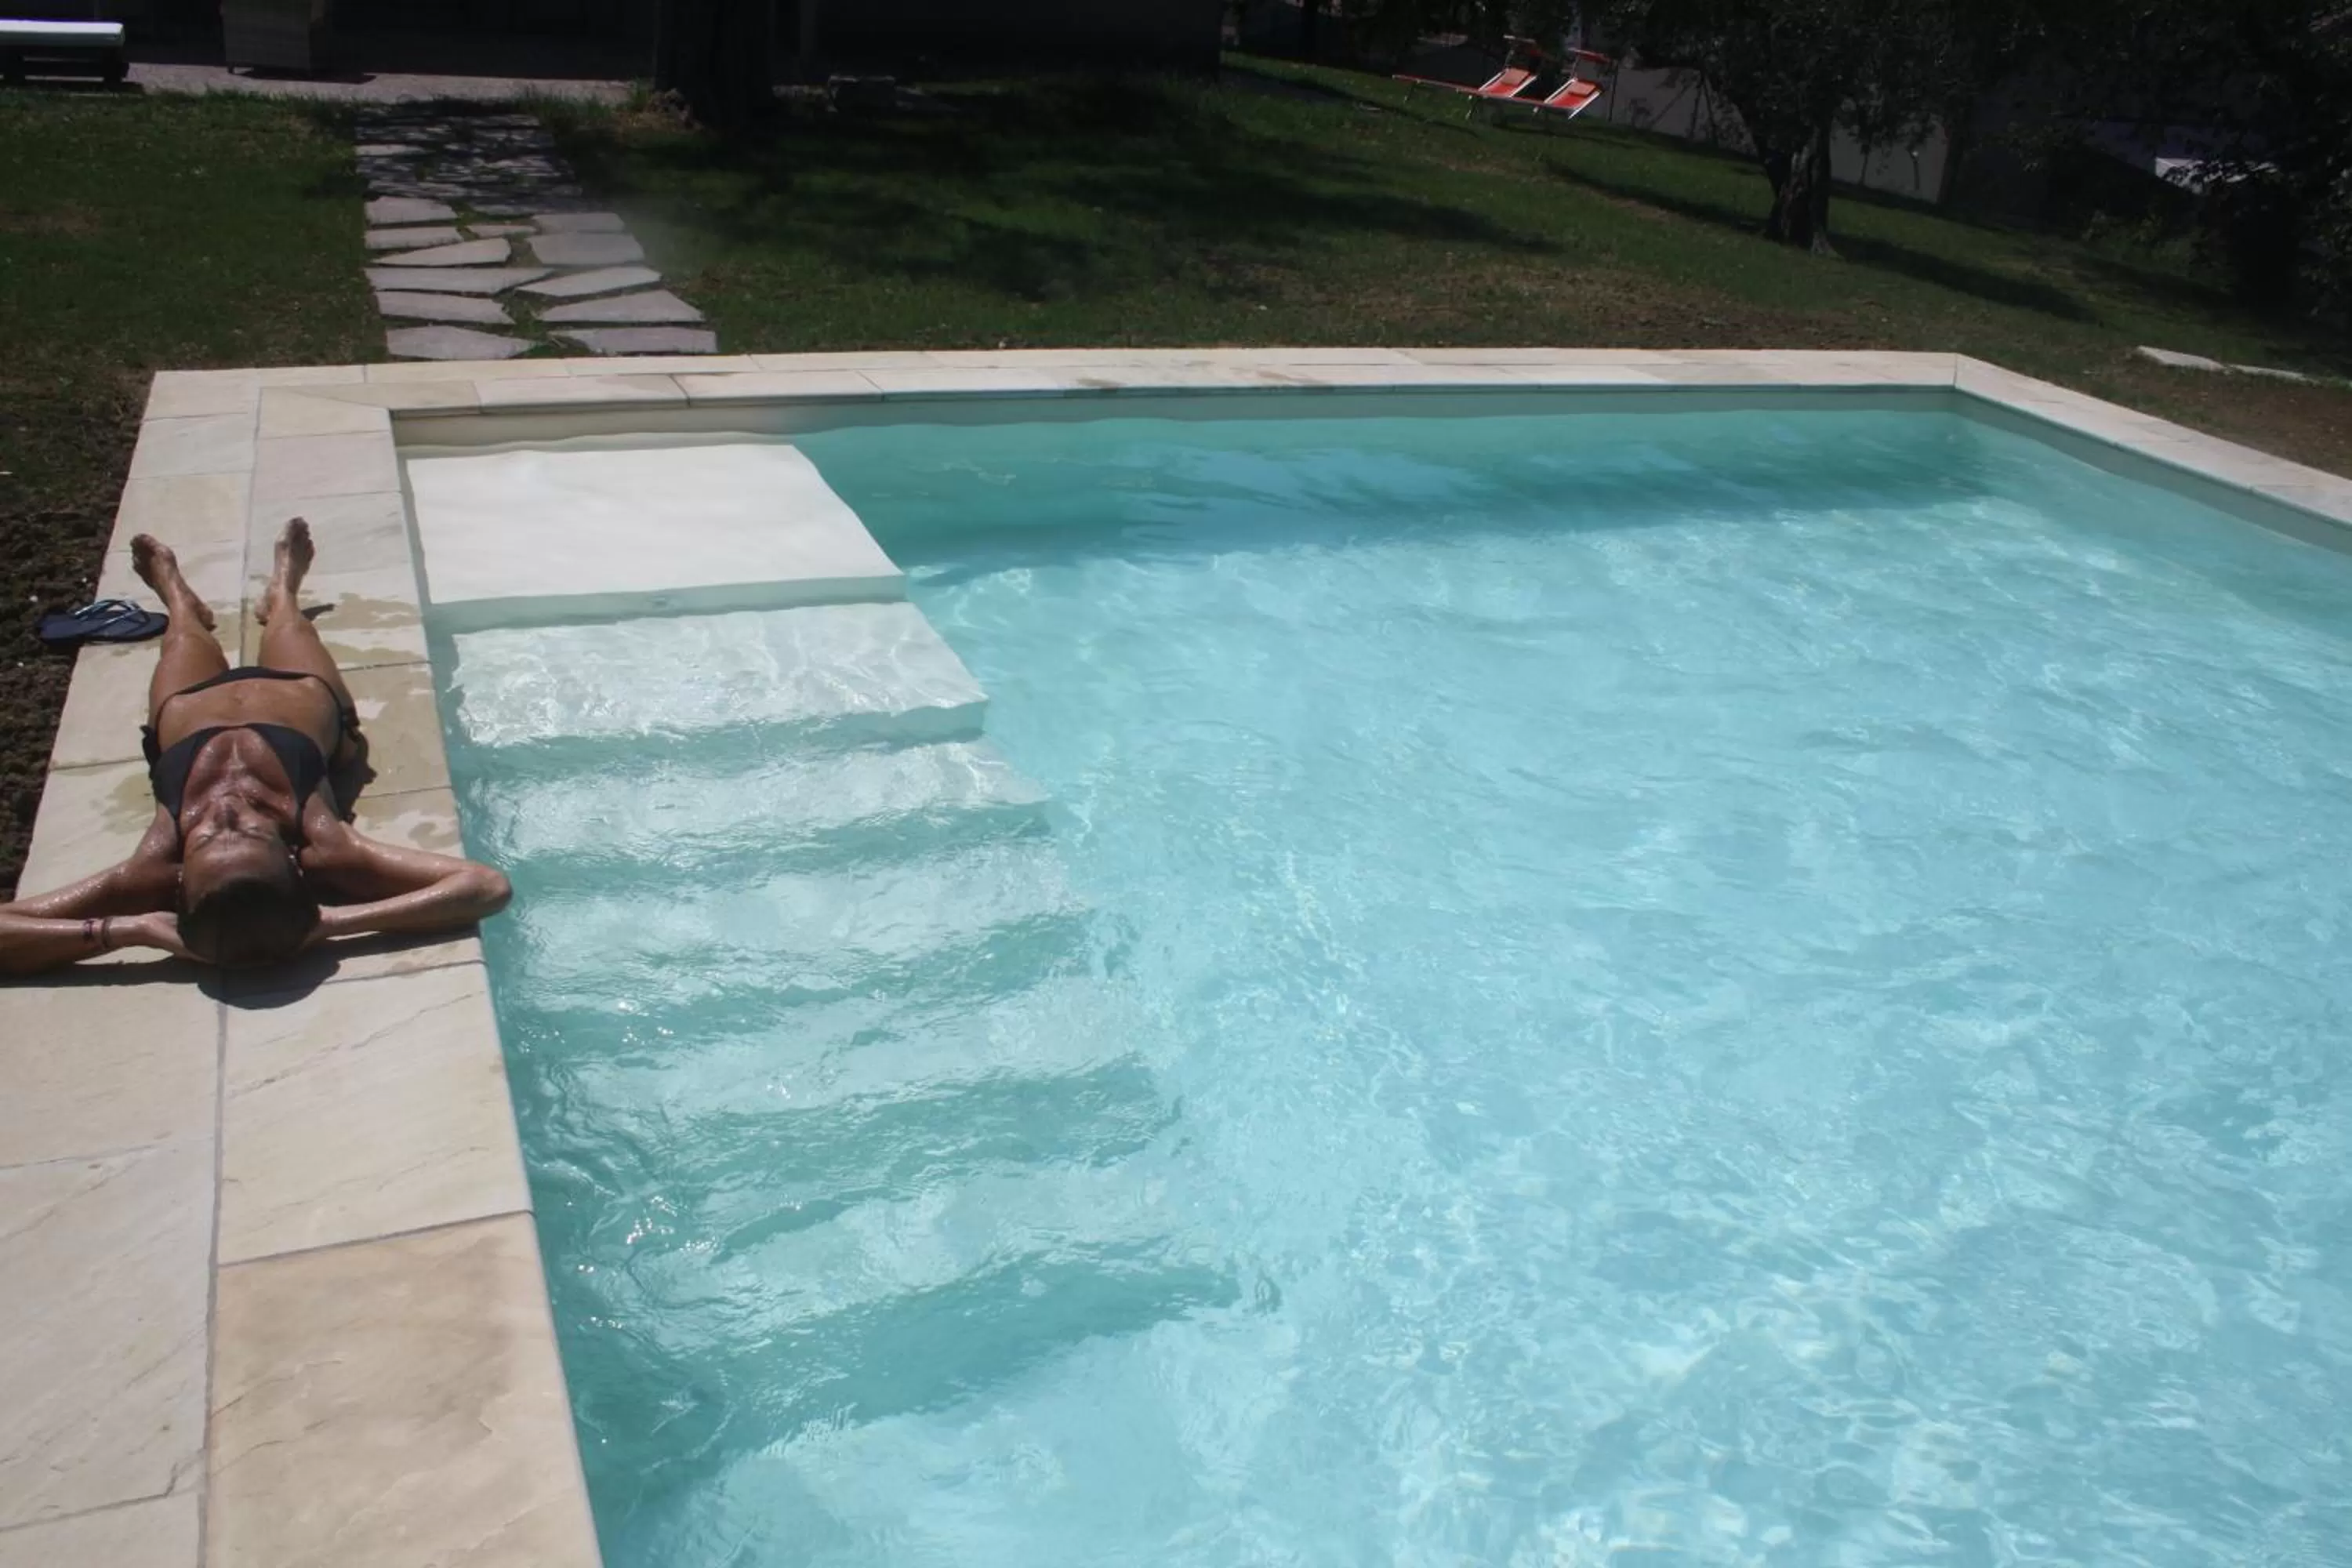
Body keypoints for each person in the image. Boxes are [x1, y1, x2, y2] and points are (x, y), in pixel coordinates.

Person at [0, 519, 510, 975]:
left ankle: (178, 599)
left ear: (180, 883)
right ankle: (283, 590)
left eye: (204, 841)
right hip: (300, 689)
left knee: (180, 637)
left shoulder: (151, 868)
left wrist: (124, 930)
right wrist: (331, 924)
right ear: (292, 860)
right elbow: (484, 886)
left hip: (188, 704)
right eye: (246, 832)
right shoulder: (328, 846)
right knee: (289, 623)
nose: (223, 817)